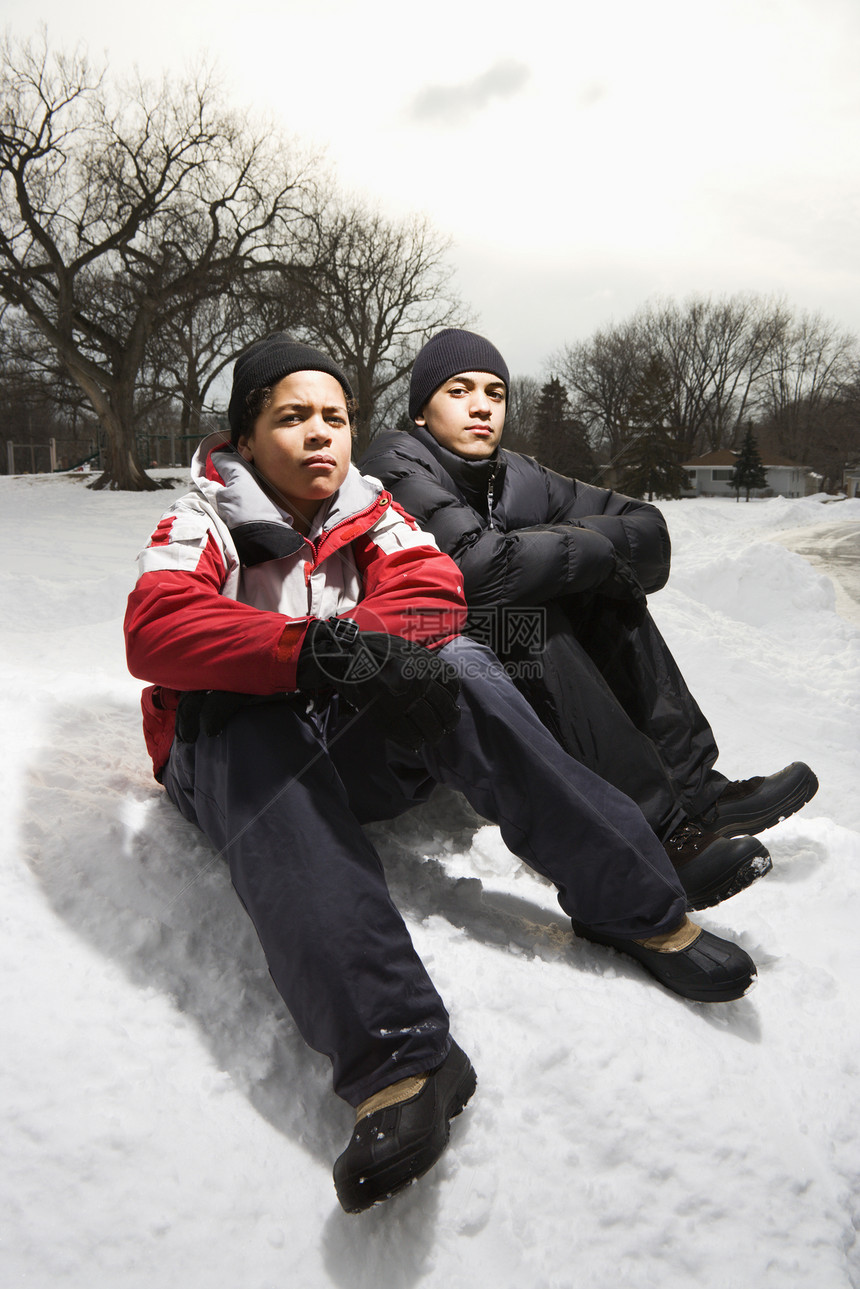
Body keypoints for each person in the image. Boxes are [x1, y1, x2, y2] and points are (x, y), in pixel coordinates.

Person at [125, 335, 760, 1215]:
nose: (320, 436)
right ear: (247, 433)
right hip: (245, 754)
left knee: (477, 649)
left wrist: (377, 655)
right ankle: (398, 1057)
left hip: (364, 724)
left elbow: (436, 580)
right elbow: (158, 625)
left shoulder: (387, 498)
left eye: (335, 417)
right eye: (293, 417)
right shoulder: (207, 515)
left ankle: (641, 884)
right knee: (244, 719)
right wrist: (318, 650)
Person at [361, 328, 818, 907]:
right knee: (533, 617)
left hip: (473, 650)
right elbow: (476, 573)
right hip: (403, 662)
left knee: (604, 592)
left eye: (496, 393)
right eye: (459, 390)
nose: (481, 406)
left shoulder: (518, 474)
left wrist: (566, 548)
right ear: (422, 410)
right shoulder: (395, 461)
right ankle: (654, 836)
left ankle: (697, 792)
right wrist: (585, 548)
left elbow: (650, 536)